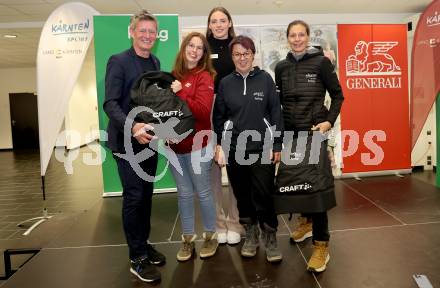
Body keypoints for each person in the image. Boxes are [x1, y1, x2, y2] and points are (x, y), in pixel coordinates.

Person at [274, 20, 344, 272]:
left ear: (308, 36)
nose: (297, 39)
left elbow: (338, 95)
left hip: (315, 133)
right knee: (296, 184)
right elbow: (279, 102)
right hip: (292, 135)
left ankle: (321, 244)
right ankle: (305, 222)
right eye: (292, 35)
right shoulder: (280, 67)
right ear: (287, 38)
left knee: (317, 189)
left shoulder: (322, 63)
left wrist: (328, 121)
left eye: (301, 35)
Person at [103, 10, 165, 283]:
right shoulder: (118, 61)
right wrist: (134, 127)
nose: (148, 35)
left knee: (147, 195)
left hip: (148, 141)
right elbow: (111, 104)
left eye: (152, 31)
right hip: (126, 141)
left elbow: (152, 102)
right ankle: (136, 258)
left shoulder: (155, 61)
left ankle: (143, 243)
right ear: (132, 32)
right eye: (143, 31)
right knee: (134, 197)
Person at [213, 35, 283, 263]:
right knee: (242, 196)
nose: (242, 58)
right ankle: (251, 234)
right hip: (235, 150)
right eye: (237, 54)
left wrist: (277, 143)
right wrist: (221, 146)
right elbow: (219, 117)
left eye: (246, 54)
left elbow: (275, 113)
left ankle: (270, 236)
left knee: (264, 194)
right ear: (232, 57)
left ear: (253, 55)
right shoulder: (225, 83)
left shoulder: (265, 79)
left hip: (263, 147)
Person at [167, 32, 218, 261]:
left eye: (199, 47)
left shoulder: (205, 76)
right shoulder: (172, 76)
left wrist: (181, 92)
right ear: (184, 47)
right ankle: (187, 239)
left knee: (203, 192)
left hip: (199, 145)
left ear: (204, 53)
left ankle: (210, 235)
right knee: (184, 194)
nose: (194, 50)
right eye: (191, 45)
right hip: (174, 146)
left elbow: (202, 111)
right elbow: (163, 111)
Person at [206, 6, 243, 245]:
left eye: (222, 20)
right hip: (208, 114)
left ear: (229, 23)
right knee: (213, 173)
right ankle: (219, 223)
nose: (218, 25)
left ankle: (236, 223)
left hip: (235, 114)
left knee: (237, 171)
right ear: (209, 25)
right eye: (214, 21)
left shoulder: (237, 47)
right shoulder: (203, 48)